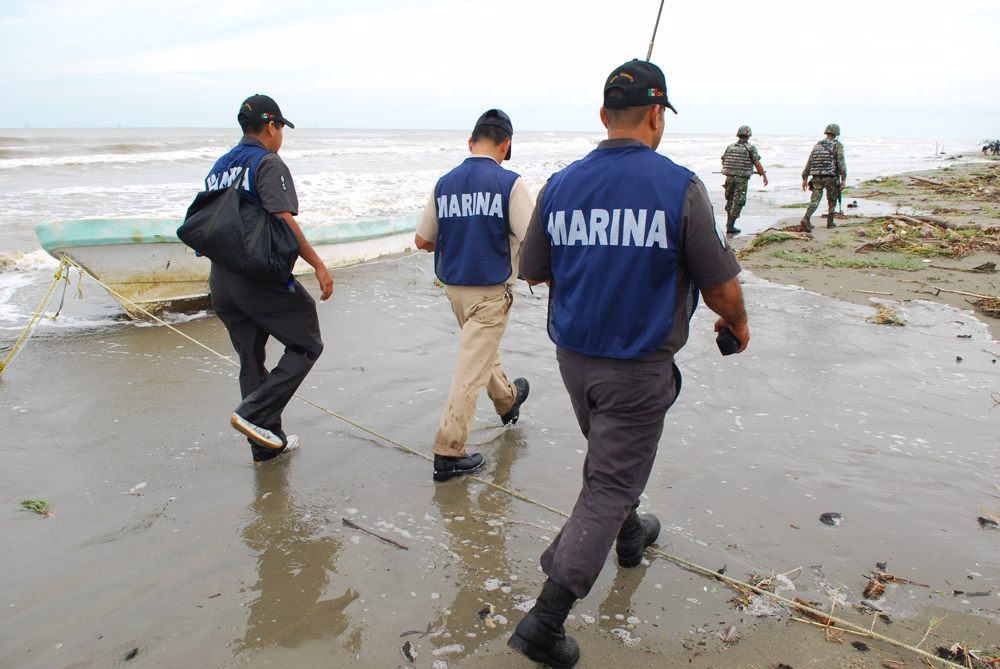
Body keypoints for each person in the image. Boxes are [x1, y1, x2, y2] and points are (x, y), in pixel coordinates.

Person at [509, 59, 749, 669]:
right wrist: (737, 325)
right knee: (611, 479)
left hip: (573, 360)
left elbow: (533, 268)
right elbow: (721, 287)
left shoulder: (561, 184)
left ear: (602, 116)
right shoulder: (679, 186)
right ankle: (546, 620)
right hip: (638, 365)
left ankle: (631, 532)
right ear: (654, 116)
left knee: (611, 461)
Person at [206, 94, 333, 462]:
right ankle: (254, 414)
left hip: (221, 280)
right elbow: (282, 217)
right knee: (307, 341)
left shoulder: (220, 166)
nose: (281, 136)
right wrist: (318, 264)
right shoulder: (267, 162)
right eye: (280, 128)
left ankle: (265, 445)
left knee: (250, 358)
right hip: (256, 276)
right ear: (272, 126)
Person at [414, 109, 532, 483]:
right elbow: (532, 237)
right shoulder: (509, 183)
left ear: (470, 142)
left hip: (453, 290)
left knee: (478, 353)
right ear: (506, 145)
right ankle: (448, 452)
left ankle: (507, 400)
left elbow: (422, 240)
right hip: (490, 291)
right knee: (470, 368)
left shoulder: (444, 183)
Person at [720, 125, 768, 235]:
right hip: (741, 180)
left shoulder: (730, 147)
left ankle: (729, 223)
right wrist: (764, 175)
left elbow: (724, 160)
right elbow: (756, 162)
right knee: (738, 202)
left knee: (730, 200)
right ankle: (730, 225)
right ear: (748, 136)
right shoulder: (750, 148)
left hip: (729, 178)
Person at [800, 123, 847, 232]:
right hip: (831, 177)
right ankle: (830, 222)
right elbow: (841, 163)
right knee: (832, 199)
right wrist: (843, 178)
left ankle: (806, 218)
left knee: (815, 200)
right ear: (836, 133)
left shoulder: (818, 145)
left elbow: (810, 161)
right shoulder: (837, 145)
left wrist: (804, 178)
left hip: (816, 177)